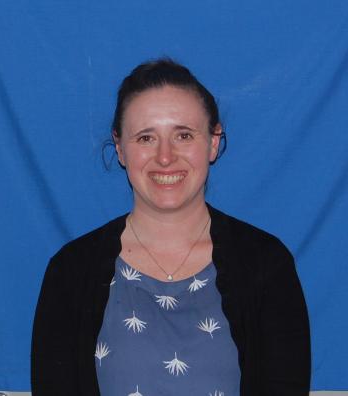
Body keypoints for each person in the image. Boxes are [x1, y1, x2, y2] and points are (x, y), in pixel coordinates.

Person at [31, 58, 311, 396]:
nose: (165, 156)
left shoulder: (268, 265)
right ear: (120, 149)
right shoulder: (71, 271)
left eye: (183, 135)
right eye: (146, 138)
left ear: (212, 141)